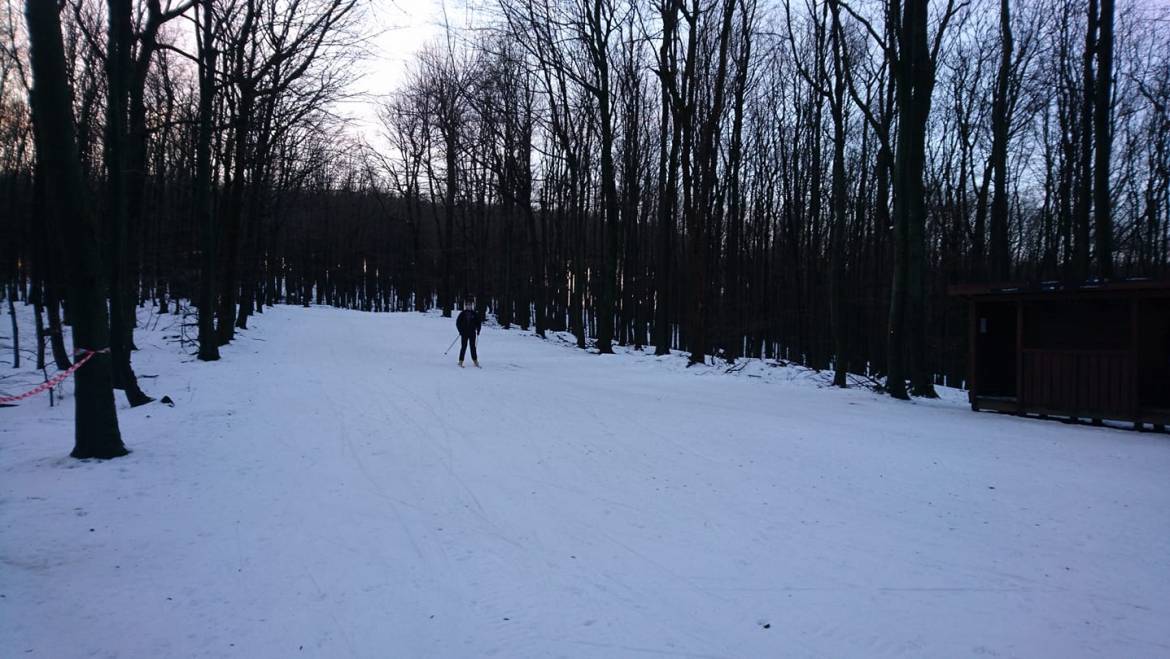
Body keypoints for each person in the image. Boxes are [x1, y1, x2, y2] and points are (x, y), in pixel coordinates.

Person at [455, 299, 482, 368]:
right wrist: (460, 331)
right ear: (465, 306)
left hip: (472, 333)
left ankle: (475, 361)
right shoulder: (462, 313)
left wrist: (478, 330)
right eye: (467, 305)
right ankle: (460, 361)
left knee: (473, 347)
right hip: (464, 333)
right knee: (463, 347)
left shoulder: (474, 313)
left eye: (470, 305)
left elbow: (478, 323)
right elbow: (458, 323)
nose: (469, 306)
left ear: (471, 306)